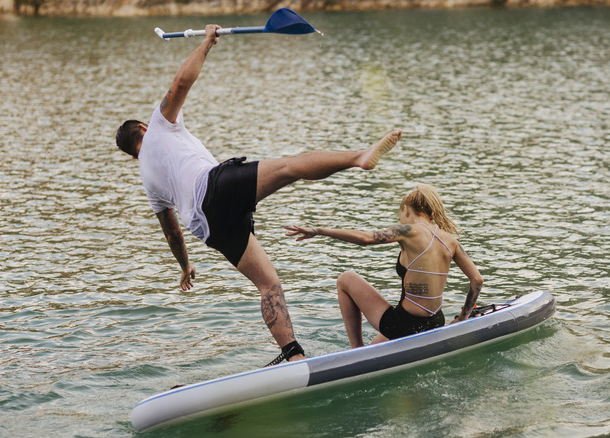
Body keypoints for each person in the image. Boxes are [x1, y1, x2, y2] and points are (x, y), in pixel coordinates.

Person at [115, 25, 402, 364]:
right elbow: (181, 83)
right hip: (213, 186)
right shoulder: (159, 124)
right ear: (144, 130)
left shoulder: (147, 180)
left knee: (268, 284)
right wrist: (207, 42)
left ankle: (293, 355)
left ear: (132, 155)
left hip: (205, 227)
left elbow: (172, 231)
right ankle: (358, 157)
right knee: (290, 168)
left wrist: (185, 266)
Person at [285, 184, 483, 348]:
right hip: (435, 323)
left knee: (345, 279)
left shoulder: (408, 230)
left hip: (403, 324)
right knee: (376, 347)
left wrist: (318, 230)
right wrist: (463, 317)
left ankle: (356, 352)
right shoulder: (450, 240)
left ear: (406, 209)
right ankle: (369, 353)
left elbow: (364, 238)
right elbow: (477, 280)